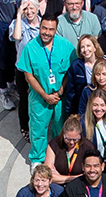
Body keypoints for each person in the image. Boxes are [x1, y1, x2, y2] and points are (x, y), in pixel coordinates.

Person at [19, 14, 74, 165]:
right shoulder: (30, 48)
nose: (47, 32)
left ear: (56, 30)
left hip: (59, 96)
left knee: (60, 127)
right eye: (44, 28)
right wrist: (44, 95)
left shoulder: (66, 46)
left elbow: (70, 72)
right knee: (38, 129)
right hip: (39, 96)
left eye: (51, 29)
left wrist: (61, 91)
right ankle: (37, 159)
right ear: (39, 27)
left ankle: (56, 156)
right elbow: (28, 76)